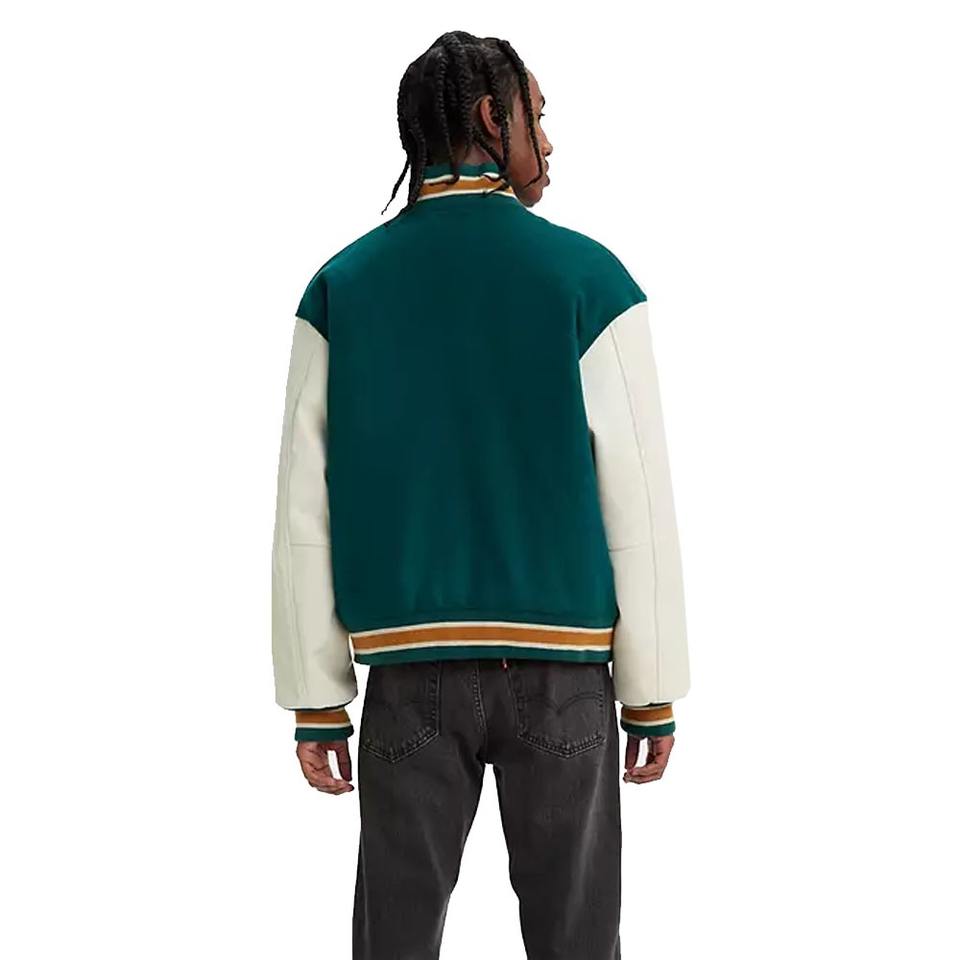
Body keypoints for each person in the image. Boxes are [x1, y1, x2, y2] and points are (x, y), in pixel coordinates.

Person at [270, 30, 691, 960]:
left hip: (406, 678)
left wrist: (316, 697)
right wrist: (653, 691)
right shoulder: (592, 280)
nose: (551, 137)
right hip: (564, 677)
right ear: (492, 117)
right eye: (538, 112)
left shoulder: (341, 288)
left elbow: (304, 510)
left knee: (391, 944)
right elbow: (639, 501)